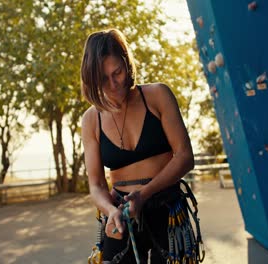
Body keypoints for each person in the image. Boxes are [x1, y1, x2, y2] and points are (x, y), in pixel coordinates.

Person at [81, 28, 204, 264]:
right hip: (120, 214)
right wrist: (110, 210)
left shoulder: (157, 95)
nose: (114, 83)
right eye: (103, 79)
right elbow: (96, 184)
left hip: (167, 209)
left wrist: (144, 195)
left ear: (127, 64)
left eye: (117, 72)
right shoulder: (91, 119)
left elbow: (185, 157)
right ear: (92, 79)